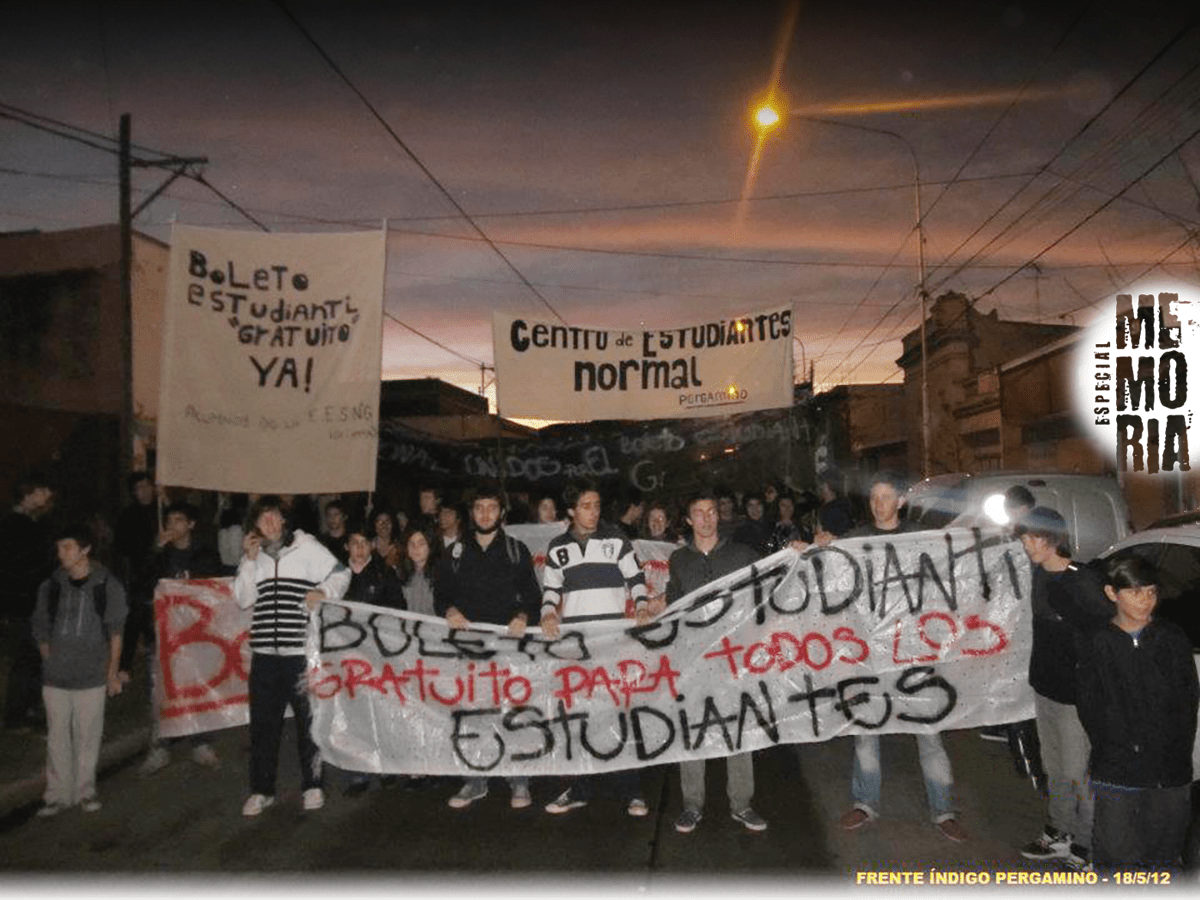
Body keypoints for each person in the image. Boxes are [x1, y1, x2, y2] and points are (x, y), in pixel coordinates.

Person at [836, 471, 968, 842]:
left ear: (901, 501)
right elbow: (828, 569)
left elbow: (951, 580)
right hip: (869, 652)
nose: (879, 505)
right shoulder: (855, 540)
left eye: (886, 497)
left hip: (915, 651)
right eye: (874, 498)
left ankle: (943, 809)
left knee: (928, 731)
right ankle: (865, 803)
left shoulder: (921, 540)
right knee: (866, 731)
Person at [539, 480, 656, 817]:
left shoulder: (616, 540)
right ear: (572, 511)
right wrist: (548, 613)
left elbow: (635, 579)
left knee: (621, 711)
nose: (594, 512)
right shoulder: (558, 547)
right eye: (587, 505)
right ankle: (579, 788)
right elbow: (550, 591)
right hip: (578, 647)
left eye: (597, 505)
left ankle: (632, 790)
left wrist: (643, 606)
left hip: (614, 642)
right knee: (579, 716)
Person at [1077, 555, 1198, 873]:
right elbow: (1091, 708)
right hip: (1119, 772)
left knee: (1162, 857)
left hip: (1169, 774)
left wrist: (1177, 758)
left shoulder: (1171, 639)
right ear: (1111, 593)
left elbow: (1187, 704)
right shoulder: (1098, 643)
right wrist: (1113, 751)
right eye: (1134, 592)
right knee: (1115, 856)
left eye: (1151, 592)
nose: (1145, 601)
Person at [233, 495, 350, 817]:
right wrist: (247, 559)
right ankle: (261, 790)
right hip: (265, 657)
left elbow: (341, 573)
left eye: (274, 516)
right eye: (262, 518)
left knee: (308, 725)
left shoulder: (306, 547)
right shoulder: (253, 558)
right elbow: (242, 599)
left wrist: (323, 592)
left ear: (284, 520)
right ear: (255, 525)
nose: (269, 522)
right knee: (263, 727)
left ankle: (312, 785)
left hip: (299, 654)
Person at [1015, 506, 1111, 869]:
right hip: (1045, 688)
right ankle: (1059, 830)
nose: (1026, 545)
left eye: (1031, 538)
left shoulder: (1081, 580)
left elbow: (1106, 634)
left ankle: (1087, 843)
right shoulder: (1037, 575)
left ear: (1050, 539)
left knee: (1077, 772)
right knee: (1053, 767)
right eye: (1023, 539)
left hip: (1075, 695)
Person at [434, 485, 541, 810]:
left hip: (508, 648)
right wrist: (449, 610)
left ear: (501, 513)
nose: (484, 514)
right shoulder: (454, 553)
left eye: (491, 508)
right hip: (468, 649)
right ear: (471, 513)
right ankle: (475, 780)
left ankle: (518, 780)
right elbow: (441, 595)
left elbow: (534, 597)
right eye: (478, 507)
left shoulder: (515, 550)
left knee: (512, 712)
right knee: (473, 714)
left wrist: (524, 615)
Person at [667, 490, 768, 834]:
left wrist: (797, 553)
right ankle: (692, 805)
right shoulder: (678, 560)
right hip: (694, 659)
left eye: (712, 512)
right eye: (699, 512)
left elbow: (771, 583)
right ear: (688, 519)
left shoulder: (742, 555)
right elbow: (674, 609)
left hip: (734, 658)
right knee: (693, 729)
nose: (707, 518)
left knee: (737, 729)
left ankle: (742, 804)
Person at [31, 523, 127, 815]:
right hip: (56, 677)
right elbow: (40, 627)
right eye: (60, 547)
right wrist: (50, 659)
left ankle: (85, 791)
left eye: (68, 547)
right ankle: (57, 794)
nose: (62, 553)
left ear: (85, 549)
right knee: (57, 737)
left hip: (91, 675)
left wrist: (111, 673)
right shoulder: (51, 586)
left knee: (88, 737)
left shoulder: (106, 584)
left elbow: (116, 632)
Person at [138, 501, 225, 775]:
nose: (172, 525)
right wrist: (155, 551)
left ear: (191, 524)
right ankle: (159, 747)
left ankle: (199, 743)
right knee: (160, 693)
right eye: (170, 520)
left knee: (196, 689)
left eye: (178, 520)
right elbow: (142, 584)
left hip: (196, 637)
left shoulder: (205, 555)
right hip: (165, 635)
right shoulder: (160, 555)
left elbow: (216, 590)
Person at [340, 520, 406, 797]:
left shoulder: (384, 574)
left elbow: (399, 610)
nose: (359, 548)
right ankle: (359, 770)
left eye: (364, 542)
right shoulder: (335, 577)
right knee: (354, 714)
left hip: (378, 654)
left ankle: (386, 766)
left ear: (372, 545)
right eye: (354, 543)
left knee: (381, 710)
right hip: (347, 657)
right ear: (346, 547)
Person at [1, 474, 56, 731]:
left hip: (29, 601)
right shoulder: (16, 526)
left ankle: (25, 710)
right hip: (25, 602)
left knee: (32, 658)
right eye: (42, 491)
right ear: (28, 495)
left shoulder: (31, 524)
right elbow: (21, 567)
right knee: (28, 657)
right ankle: (19, 713)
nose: (47, 496)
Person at [114, 471, 159, 680]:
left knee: (156, 623)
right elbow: (123, 547)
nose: (144, 492)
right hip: (139, 576)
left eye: (147, 486)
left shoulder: (161, 510)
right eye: (139, 489)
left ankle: (157, 665)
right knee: (135, 620)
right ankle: (124, 667)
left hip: (161, 575)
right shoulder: (128, 515)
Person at [398, 526, 440, 617]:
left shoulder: (441, 575)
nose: (415, 548)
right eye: (411, 544)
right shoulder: (401, 574)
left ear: (430, 547)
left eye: (421, 544)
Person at [732, 493, 772, 557]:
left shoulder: (773, 527)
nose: (755, 509)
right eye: (750, 506)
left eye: (758, 504)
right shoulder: (740, 533)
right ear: (745, 508)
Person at [371, 509, 404, 575]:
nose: (384, 525)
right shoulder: (368, 547)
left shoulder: (399, 548)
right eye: (380, 521)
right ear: (374, 525)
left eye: (387, 521)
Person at [318, 499, 349, 564]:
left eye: (336, 514)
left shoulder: (351, 540)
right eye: (329, 515)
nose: (332, 518)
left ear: (344, 517)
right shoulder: (320, 541)